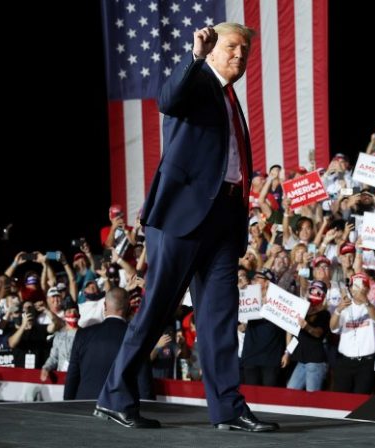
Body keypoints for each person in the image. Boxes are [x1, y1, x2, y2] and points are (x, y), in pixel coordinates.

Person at [96, 23, 278, 432]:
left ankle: (228, 408)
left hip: (224, 220)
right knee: (158, 309)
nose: (240, 55)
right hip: (183, 216)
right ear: (212, 50)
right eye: (232, 47)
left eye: (245, 50)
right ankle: (114, 397)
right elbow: (168, 99)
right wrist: (194, 57)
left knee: (219, 316)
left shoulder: (229, 96)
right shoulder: (196, 80)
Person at [65, 287, 130, 400]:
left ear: (104, 306)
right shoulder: (133, 337)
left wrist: (67, 405)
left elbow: (72, 376)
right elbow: (143, 380)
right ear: (129, 307)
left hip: (85, 403)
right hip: (119, 405)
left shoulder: (83, 334)